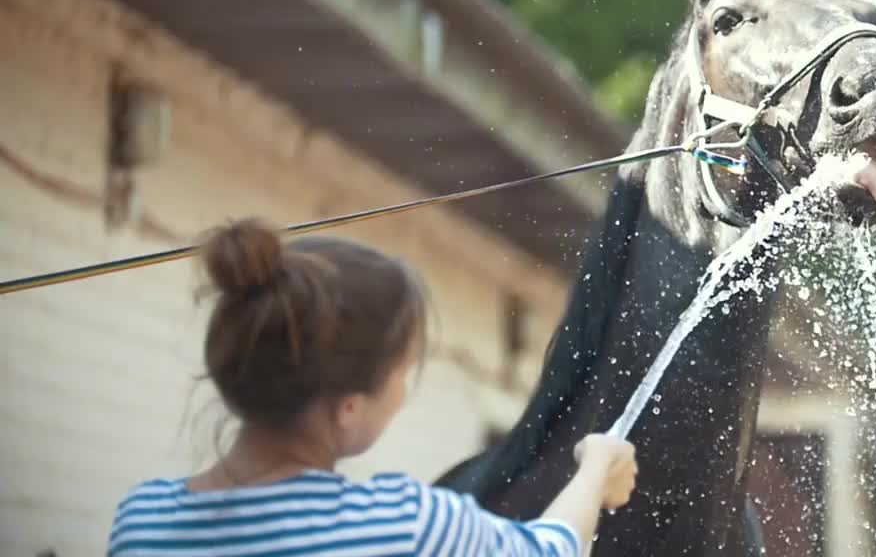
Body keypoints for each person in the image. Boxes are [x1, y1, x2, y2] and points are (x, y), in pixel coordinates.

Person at [107, 218, 638, 556]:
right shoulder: (402, 524)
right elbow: (545, 551)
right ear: (349, 408)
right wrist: (595, 470)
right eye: (404, 372)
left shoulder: (143, 519)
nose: (406, 392)